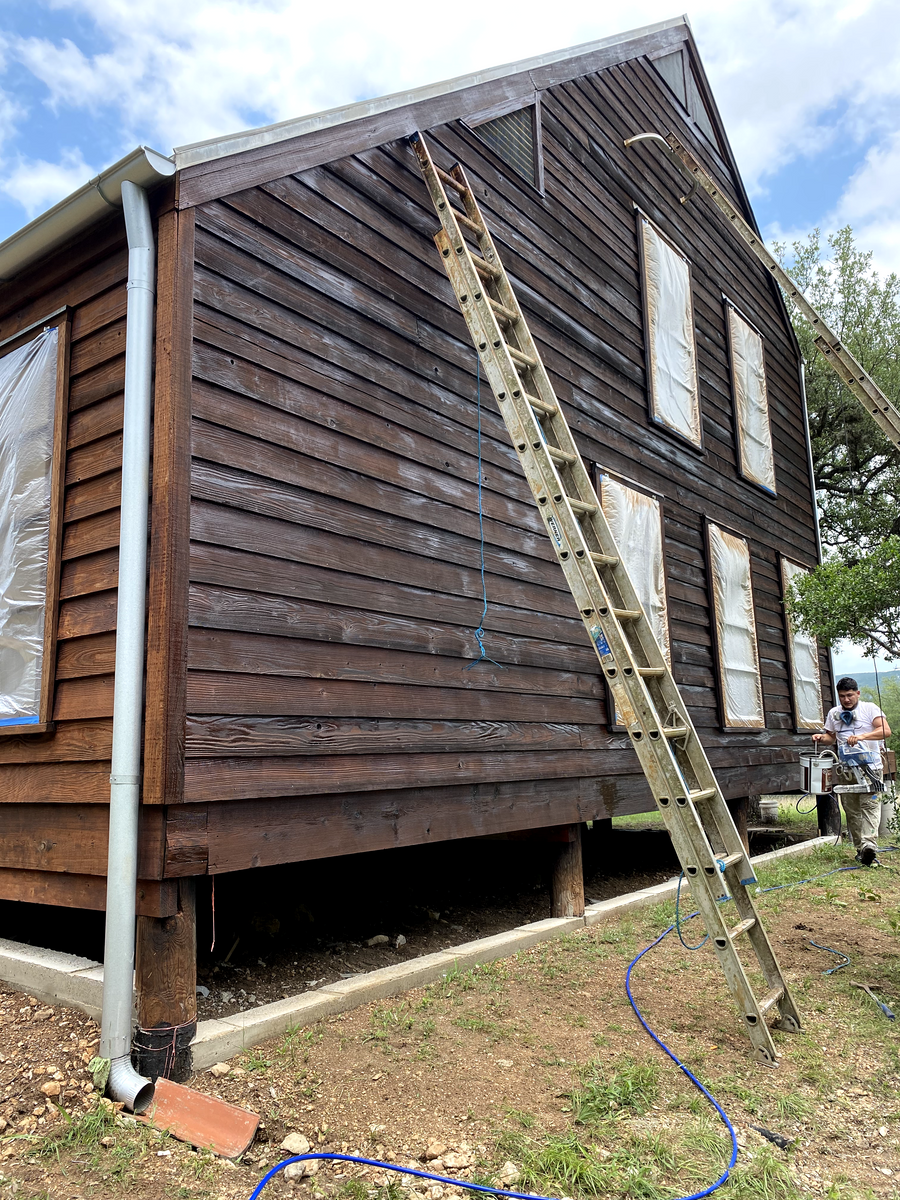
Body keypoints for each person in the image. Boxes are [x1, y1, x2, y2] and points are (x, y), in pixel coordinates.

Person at [813, 677, 892, 866]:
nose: (846, 700)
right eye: (842, 696)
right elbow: (831, 738)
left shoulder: (870, 709)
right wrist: (820, 737)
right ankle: (861, 849)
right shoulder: (834, 713)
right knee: (852, 809)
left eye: (849, 695)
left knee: (870, 806)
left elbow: (885, 731)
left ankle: (869, 845)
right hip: (846, 769)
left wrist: (862, 736)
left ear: (857, 693)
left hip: (870, 767)